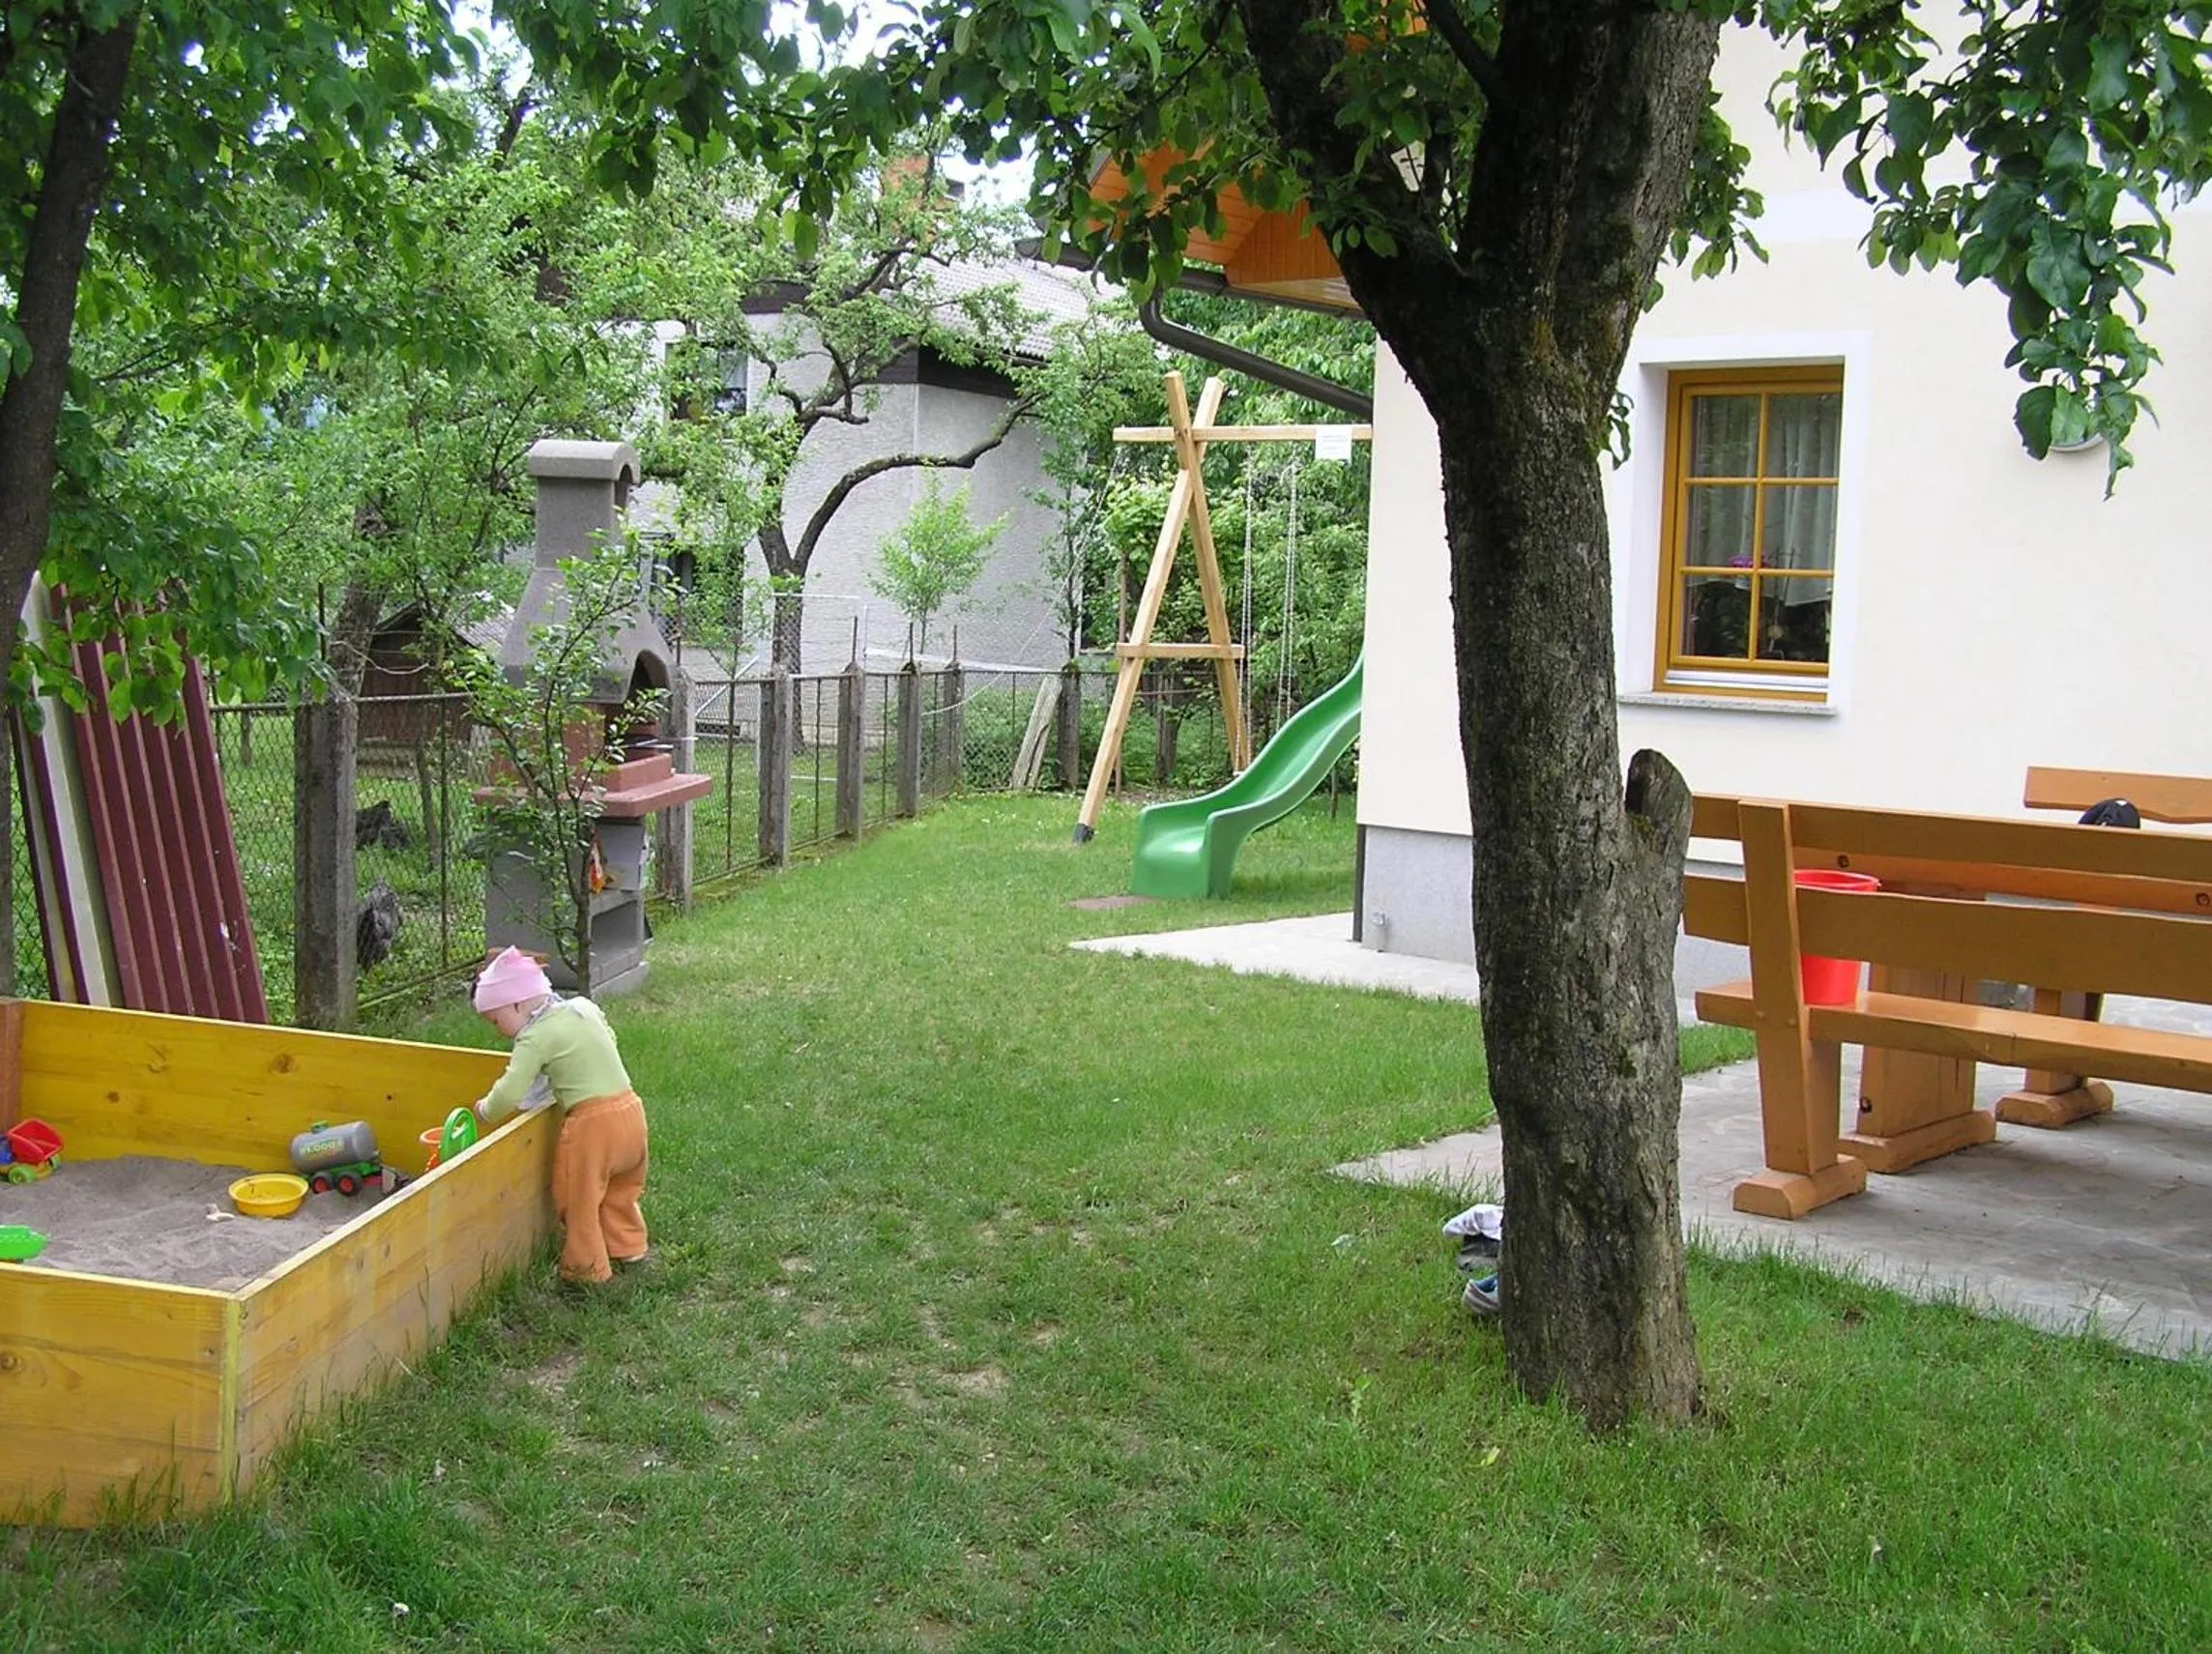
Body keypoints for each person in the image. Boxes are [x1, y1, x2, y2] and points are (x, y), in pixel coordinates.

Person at [472, 946, 651, 1285]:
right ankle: (630, 1246)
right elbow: (608, 1038)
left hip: (593, 1125)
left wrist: (485, 1110)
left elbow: (511, 1091)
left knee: (578, 1197)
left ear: (518, 1004)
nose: (498, 1030)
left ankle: (586, 1271)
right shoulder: (583, 1008)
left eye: (496, 1020)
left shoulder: (534, 1037)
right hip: (631, 1110)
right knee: (620, 1188)